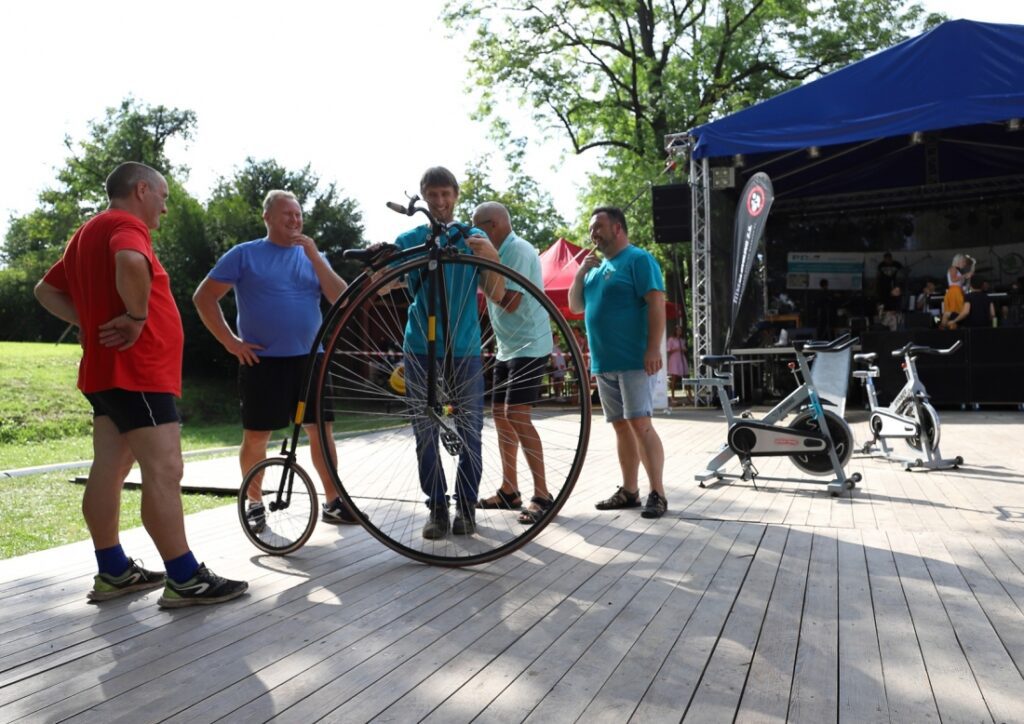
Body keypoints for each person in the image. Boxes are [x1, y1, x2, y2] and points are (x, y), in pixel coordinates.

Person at [33, 162, 247, 608]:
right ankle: (185, 578)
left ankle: (113, 571)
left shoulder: (86, 232)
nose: (165, 209)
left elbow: (45, 291)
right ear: (142, 190)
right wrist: (135, 316)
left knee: (109, 469)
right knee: (165, 469)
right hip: (138, 370)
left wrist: (88, 322)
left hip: (107, 371)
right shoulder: (126, 226)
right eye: (163, 197)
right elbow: (130, 260)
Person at [193, 190, 355, 529]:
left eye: (298, 214)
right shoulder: (244, 254)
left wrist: (315, 257)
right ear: (267, 217)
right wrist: (231, 342)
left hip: (311, 359)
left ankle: (334, 502)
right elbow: (204, 297)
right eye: (287, 214)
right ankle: (254, 503)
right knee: (257, 435)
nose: (295, 220)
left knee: (321, 431)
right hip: (262, 362)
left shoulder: (314, 256)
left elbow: (341, 298)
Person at [387, 167, 504, 539]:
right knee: (424, 431)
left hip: (464, 346)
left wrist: (492, 258)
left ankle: (466, 507)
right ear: (423, 196)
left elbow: (498, 292)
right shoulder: (409, 240)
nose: (439, 201)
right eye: (432, 194)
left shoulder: (473, 237)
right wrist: (380, 261)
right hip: (420, 346)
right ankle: (437, 507)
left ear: (456, 195)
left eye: (445, 194)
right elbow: (382, 285)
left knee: (471, 430)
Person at [568, 206, 668, 519]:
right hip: (604, 362)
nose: (593, 233)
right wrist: (581, 272)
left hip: (634, 359)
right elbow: (575, 306)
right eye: (590, 228)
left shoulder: (638, 259)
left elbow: (656, 302)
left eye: (598, 226)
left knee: (640, 424)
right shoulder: (595, 268)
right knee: (621, 427)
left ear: (617, 228)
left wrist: (653, 349)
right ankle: (630, 490)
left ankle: (658, 493)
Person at [466, 202, 552, 525]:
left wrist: (486, 263)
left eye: (477, 227)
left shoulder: (515, 250)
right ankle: (509, 489)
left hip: (530, 344)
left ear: (494, 225)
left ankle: (542, 495)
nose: (474, 233)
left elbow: (510, 301)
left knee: (517, 415)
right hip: (509, 347)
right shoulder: (500, 250)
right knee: (501, 416)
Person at [940, 253, 975, 329]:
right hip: (954, 292)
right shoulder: (953, 268)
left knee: (955, 313)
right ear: (958, 261)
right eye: (963, 262)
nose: (964, 264)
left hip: (958, 292)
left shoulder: (958, 271)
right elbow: (953, 279)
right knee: (954, 312)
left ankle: (948, 328)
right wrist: (965, 275)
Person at [666, 325, 690, 405]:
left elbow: (685, 348)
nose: (679, 332)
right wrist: (676, 349)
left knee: (686, 376)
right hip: (674, 359)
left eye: (680, 330)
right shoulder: (671, 339)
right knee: (674, 378)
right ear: (675, 331)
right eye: (678, 330)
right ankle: (672, 396)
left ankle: (689, 395)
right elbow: (668, 349)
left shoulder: (682, 340)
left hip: (681, 358)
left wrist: (684, 349)